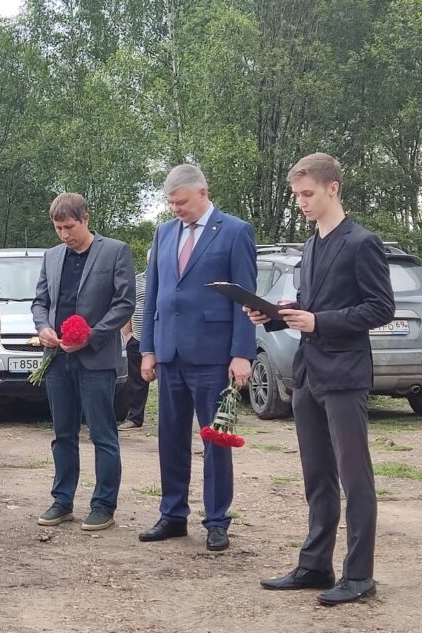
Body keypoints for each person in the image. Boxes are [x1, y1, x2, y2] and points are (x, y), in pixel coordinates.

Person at [248, 153, 394, 605]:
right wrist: (272, 318)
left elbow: (380, 308)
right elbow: (306, 308)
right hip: (309, 374)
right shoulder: (310, 245)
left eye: (307, 194)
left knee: (355, 477)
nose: (301, 203)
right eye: (297, 195)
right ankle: (315, 566)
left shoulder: (362, 242)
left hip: (346, 374)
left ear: (333, 188)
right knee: (317, 476)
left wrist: (320, 321)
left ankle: (359, 575)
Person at [139, 164, 256, 552]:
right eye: (171, 204)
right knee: (170, 439)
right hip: (170, 353)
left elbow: (244, 299)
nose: (176, 210)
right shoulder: (164, 231)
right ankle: (173, 515)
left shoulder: (235, 231)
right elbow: (154, 293)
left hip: (213, 355)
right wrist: (148, 348)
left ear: (203, 193)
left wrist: (241, 353)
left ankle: (217, 521)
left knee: (215, 440)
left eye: (182, 202)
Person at [31, 193, 135, 531]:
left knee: (103, 434)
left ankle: (103, 504)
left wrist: (90, 335)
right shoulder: (51, 256)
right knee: (62, 434)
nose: (64, 234)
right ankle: (62, 501)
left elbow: (124, 304)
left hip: (95, 359)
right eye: (58, 228)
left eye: (70, 227)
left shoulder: (115, 251)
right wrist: (44, 327)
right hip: (57, 359)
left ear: (86, 218)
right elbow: (40, 301)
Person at [118, 249, 150, 430]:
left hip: (161, 339)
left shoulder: (172, 279)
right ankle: (134, 418)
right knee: (136, 380)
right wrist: (127, 333)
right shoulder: (137, 280)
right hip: (137, 337)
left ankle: (171, 421)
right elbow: (129, 305)